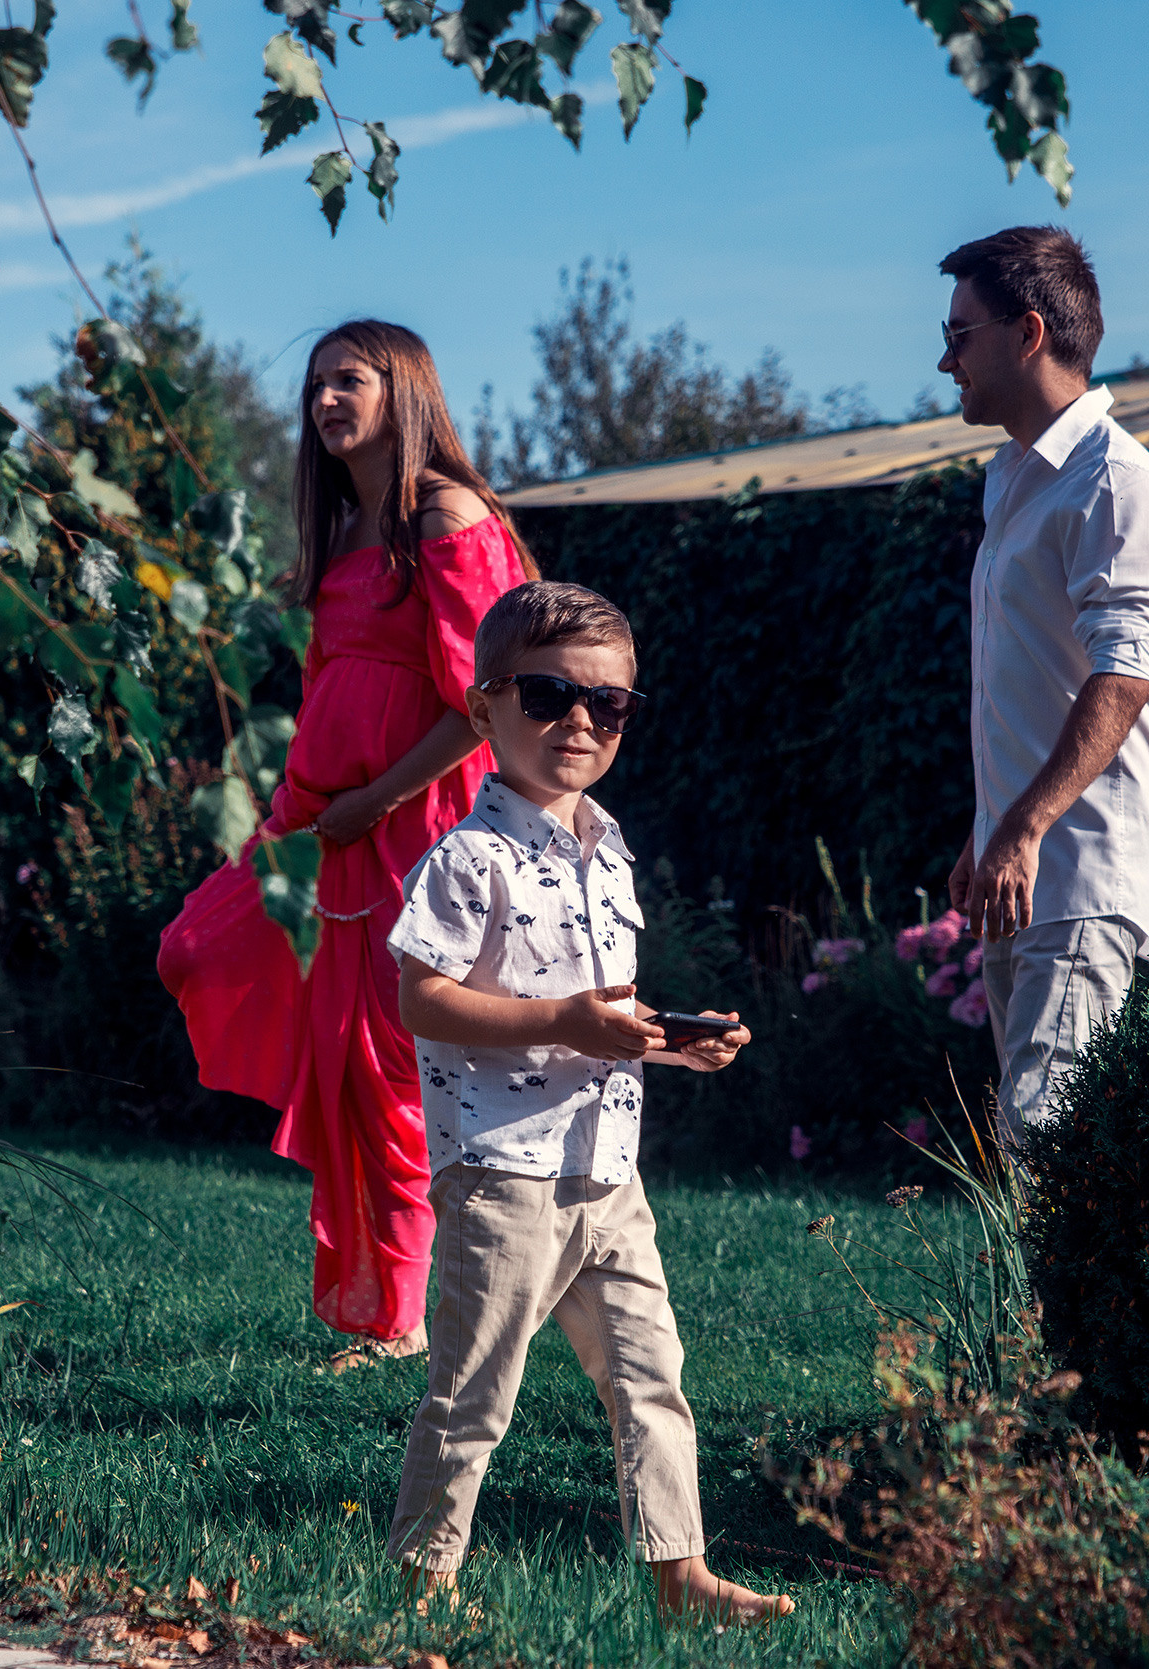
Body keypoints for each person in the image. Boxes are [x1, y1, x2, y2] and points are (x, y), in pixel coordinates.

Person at [382, 581, 793, 1624]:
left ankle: (682, 1580)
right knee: (475, 1390)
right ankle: (421, 1583)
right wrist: (567, 1022)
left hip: (608, 1169)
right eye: (549, 695)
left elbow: (599, 1011)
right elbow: (421, 998)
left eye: (609, 704)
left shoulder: (610, 851)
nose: (580, 720)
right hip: (502, 1171)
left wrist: (672, 1042)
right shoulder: (468, 858)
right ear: (484, 708)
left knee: (651, 1377)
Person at [156, 320, 532, 1368]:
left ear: (402, 389)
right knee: (194, 948)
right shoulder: (342, 527)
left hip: (417, 823)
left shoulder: (447, 516)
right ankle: (399, 1305)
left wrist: (376, 797)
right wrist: (302, 804)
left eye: (348, 380)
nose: (324, 399)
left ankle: (396, 1320)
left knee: (386, 1070)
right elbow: (327, 678)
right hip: (321, 821)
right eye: (316, 383)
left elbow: (486, 704)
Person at [936, 226, 1149, 1143]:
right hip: (1027, 875)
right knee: (1048, 1150)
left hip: (1081, 874)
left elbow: (1125, 675)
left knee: (1044, 1144)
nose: (946, 360)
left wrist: (1025, 825)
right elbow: (1036, 679)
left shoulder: (1113, 479)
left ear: (1028, 332)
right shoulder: (1014, 478)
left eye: (960, 334)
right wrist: (989, 830)